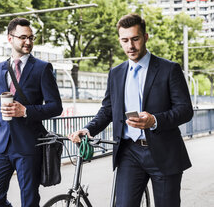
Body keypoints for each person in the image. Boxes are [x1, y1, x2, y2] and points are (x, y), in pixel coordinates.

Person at [68, 14, 193, 207]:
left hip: (164, 152)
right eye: (124, 40)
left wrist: (154, 120)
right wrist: (88, 130)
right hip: (129, 152)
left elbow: (185, 110)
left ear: (145, 37)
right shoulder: (116, 73)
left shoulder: (169, 69)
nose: (130, 46)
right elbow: (107, 110)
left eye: (135, 39)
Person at [0, 17, 63, 207]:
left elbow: (55, 106)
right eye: (23, 37)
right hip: (0, 146)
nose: (28, 42)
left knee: (29, 201)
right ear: (10, 38)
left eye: (31, 38)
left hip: (28, 145)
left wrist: (25, 111)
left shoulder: (42, 68)